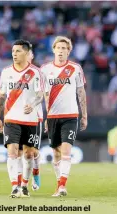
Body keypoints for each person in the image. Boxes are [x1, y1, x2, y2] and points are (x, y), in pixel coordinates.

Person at [0, 39, 43, 198]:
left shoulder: (36, 73)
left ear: (27, 53)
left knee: (29, 154)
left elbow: (40, 94)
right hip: (11, 118)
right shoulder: (6, 72)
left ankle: (24, 185)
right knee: (12, 151)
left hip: (30, 119)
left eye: (18, 51)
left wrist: (33, 104)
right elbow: (1, 96)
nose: (14, 54)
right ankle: (14, 186)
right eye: (13, 51)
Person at [41, 36, 87, 197]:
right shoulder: (45, 70)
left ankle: (62, 186)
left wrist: (84, 115)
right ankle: (58, 184)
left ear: (69, 51)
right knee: (56, 153)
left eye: (64, 48)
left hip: (70, 115)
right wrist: (46, 116)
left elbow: (81, 92)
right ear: (53, 49)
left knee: (66, 151)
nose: (61, 51)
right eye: (58, 48)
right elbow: (45, 94)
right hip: (53, 116)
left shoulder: (75, 68)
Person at [15, 49, 43, 192]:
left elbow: (42, 95)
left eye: (30, 54)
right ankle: (21, 184)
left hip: (35, 116)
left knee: (32, 152)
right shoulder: (14, 73)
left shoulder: (38, 73)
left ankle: (36, 171)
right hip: (16, 117)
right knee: (19, 152)